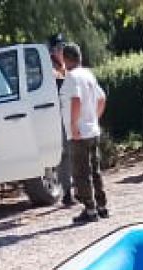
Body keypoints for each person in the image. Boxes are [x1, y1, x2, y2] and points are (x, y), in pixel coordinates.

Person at [59, 43, 108, 223]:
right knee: (95, 170)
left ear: (65, 59)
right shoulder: (88, 74)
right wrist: (94, 118)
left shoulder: (72, 77)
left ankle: (90, 209)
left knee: (81, 172)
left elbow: (76, 100)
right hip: (92, 130)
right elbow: (102, 98)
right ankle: (102, 205)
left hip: (79, 133)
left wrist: (73, 125)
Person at [48, 35, 74, 207]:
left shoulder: (68, 66)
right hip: (58, 116)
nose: (61, 50)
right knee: (64, 154)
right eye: (58, 47)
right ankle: (67, 192)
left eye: (63, 46)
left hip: (71, 113)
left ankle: (77, 188)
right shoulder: (50, 69)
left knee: (74, 153)